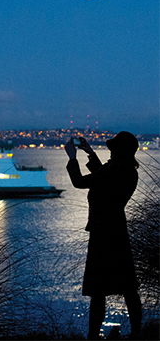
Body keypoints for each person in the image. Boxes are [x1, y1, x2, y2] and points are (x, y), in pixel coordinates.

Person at [65, 132, 142, 340]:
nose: (109, 151)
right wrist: (90, 153)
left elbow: (80, 182)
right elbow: (103, 176)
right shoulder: (127, 171)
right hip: (118, 231)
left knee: (98, 290)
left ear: (118, 151)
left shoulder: (115, 170)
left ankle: (93, 336)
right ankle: (137, 332)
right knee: (128, 287)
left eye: (113, 149)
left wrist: (72, 158)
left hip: (102, 233)